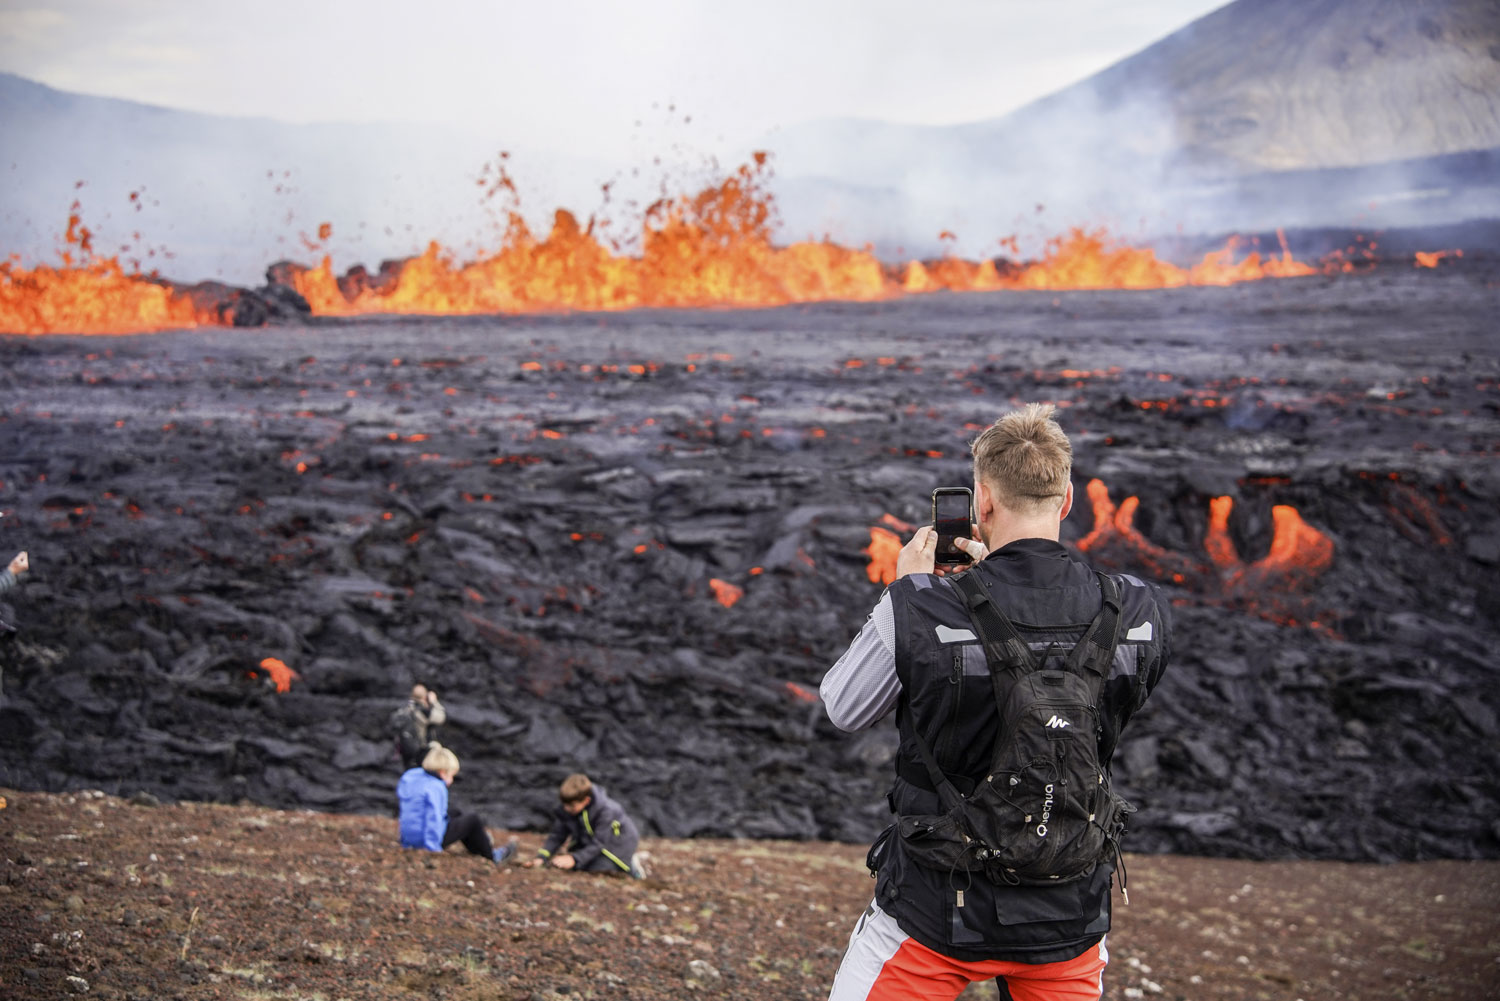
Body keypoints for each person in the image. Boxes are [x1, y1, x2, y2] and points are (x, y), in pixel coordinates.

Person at [821, 403, 1171, 1001]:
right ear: (1064, 501)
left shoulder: (923, 604)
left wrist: (908, 595)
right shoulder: (1136, 608)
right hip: (1068, 914)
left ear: (982, 501)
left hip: (935, 913)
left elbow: (844, 709)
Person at [397, 743, 516, 863]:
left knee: (456, 813)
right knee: (472, 820)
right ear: (443, 772)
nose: (452, 780)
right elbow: (433, 817)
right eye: (451, 776)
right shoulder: (436, 787)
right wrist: (432, 847)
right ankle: (492, 856)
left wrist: (406, 843)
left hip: (409, 838)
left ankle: (477, 846)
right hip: (425, 841)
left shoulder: (411, 776)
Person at [523, 773, 646, 878]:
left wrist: (574, 859)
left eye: (571, 806)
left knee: (596, 869)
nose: (566, 809)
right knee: (572, 864)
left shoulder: (606, 810)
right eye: (564, 805)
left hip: (617, 845)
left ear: (586, 801)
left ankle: (630, 866)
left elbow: (600, 842)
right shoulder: (568, 808)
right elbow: (557, 835)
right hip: (590, 841)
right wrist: (542, 857)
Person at [392, 683, 446, 770]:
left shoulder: (403, 709)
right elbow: (441, 717)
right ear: (425, 697)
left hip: (406, 752)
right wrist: (434, 702)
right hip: (421, 752)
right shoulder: (424, 711)